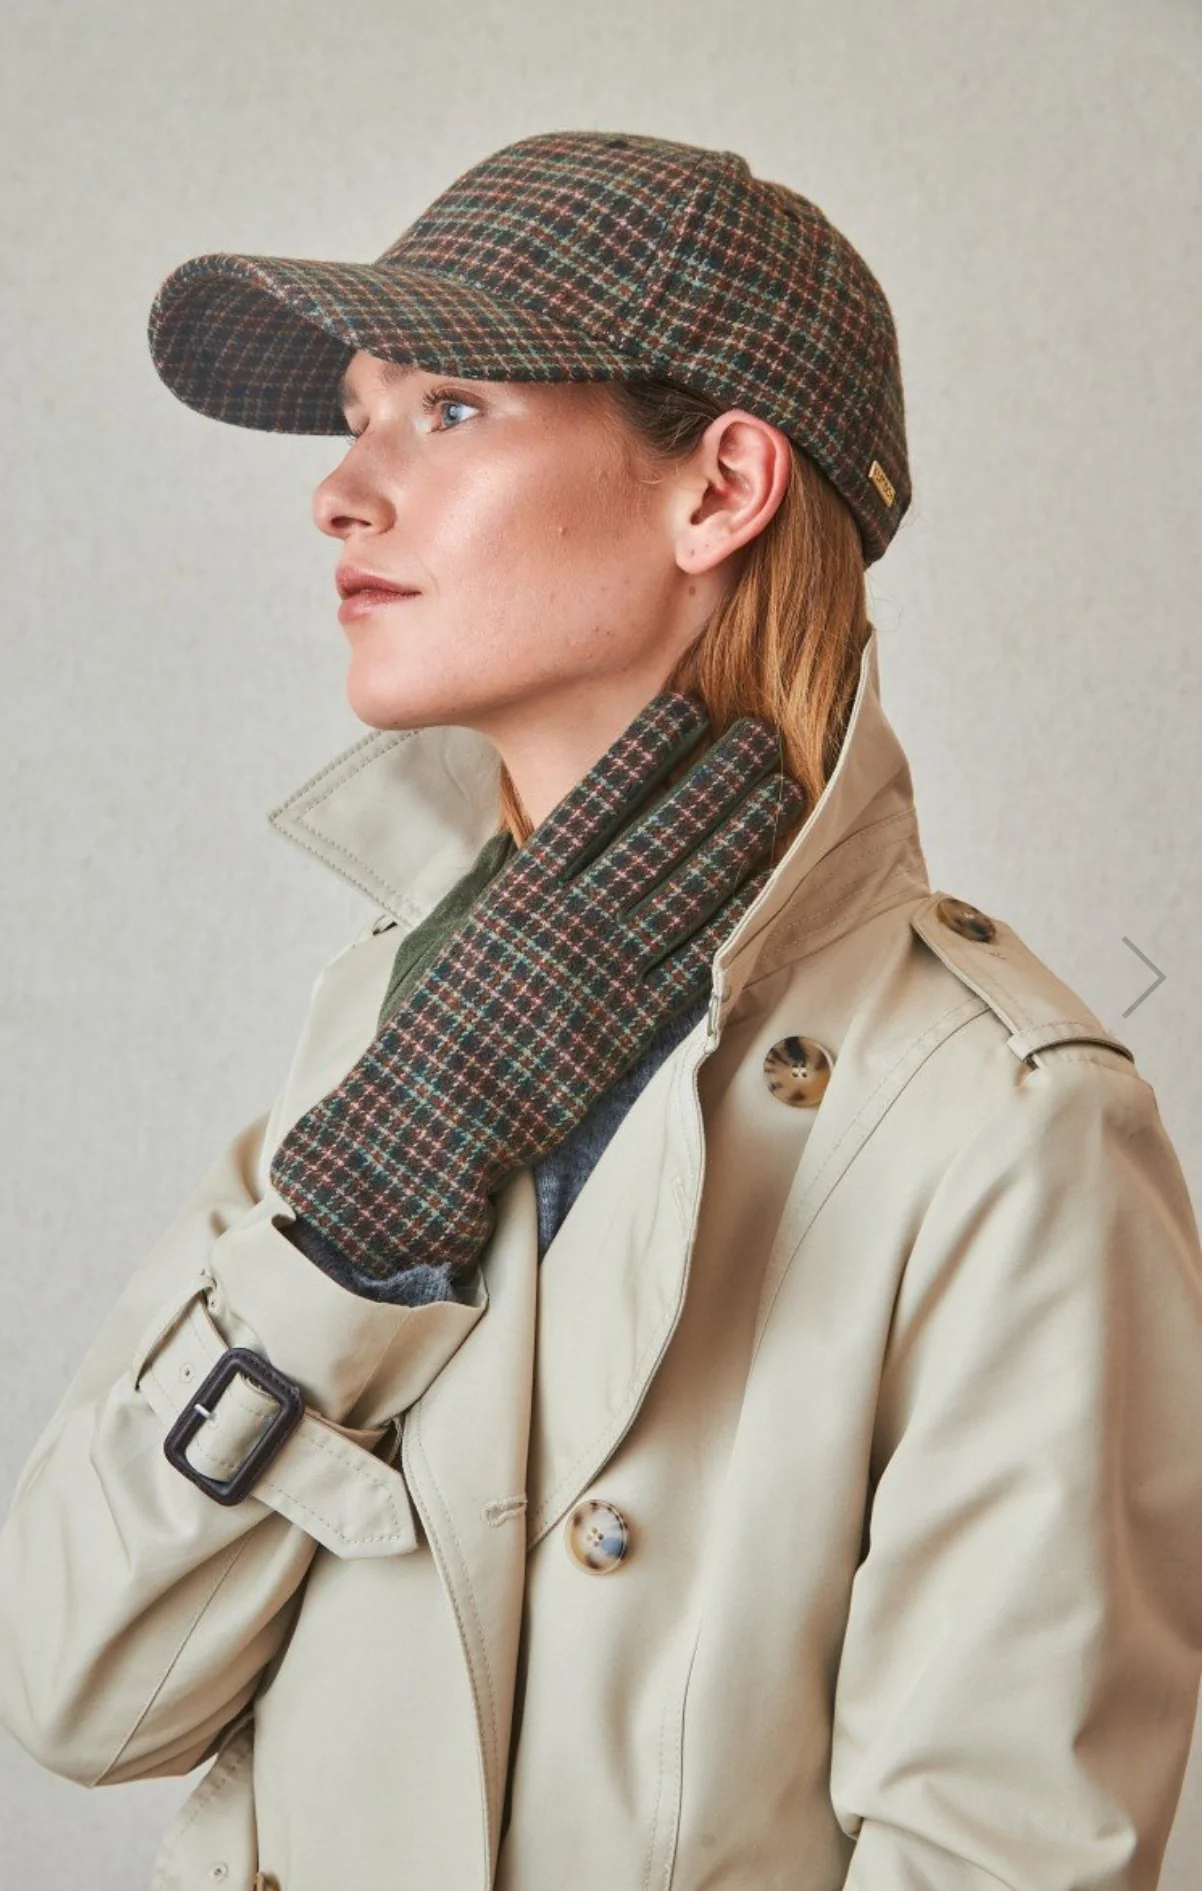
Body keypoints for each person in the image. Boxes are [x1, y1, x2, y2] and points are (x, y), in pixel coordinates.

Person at [0, 128, 1200, 1891]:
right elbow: (78, 1690)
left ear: (718, 487)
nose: (339, 492)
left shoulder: (1002, 1122)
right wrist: (352, 1231)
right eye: (355, 414)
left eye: (448, 408)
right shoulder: (398, 1027)